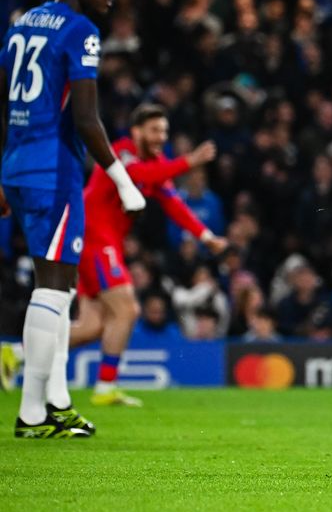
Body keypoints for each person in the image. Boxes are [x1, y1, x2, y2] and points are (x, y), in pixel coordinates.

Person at [0, 0, 146, 438]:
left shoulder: (23, 23)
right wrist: (123, 181)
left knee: (56, 291)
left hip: (18, 166)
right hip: (54, 171)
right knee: (54, 289)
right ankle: (32, 414)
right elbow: (86, 120)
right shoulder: (80, 32)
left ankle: (56, 402)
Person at [70, 103, 228, 407]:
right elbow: (137, 173)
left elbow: (173, 203)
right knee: (127, 310)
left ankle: (18, 354)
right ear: (136, 131)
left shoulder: (156, 163)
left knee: (92, 327)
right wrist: (188, 161)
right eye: (154, 130)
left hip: (102, 241)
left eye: (164, 131)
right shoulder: (121, 152)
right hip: (94, 237)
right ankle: (105, 387)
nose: (160, 137)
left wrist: (206, 237)